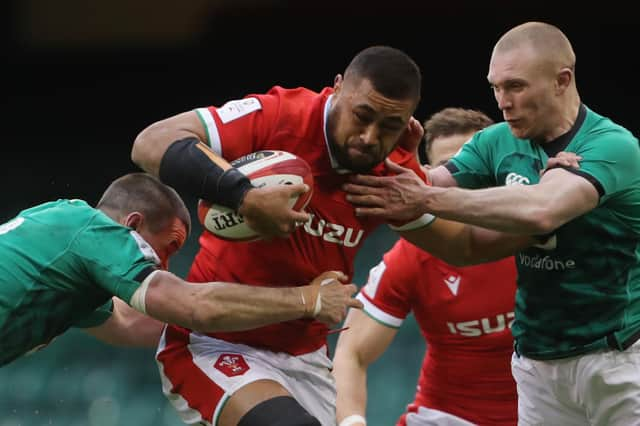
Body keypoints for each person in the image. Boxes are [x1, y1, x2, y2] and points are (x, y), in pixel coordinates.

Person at [132, 45, 529, 426]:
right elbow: (150, 143)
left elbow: (463, 246)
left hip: (306, 357)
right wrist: (245, 197)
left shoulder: (391, 173)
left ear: (409, 121)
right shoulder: (281, 117)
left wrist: (550, 214)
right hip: (213, 343)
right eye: (362, 115)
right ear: (338, 87)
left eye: (389, 126)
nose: (370, 137)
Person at [344, 22, 640, 426]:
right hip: (538, 365)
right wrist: (401, 165)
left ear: (562, 80)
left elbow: (543, 210)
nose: (503, 101)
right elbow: (429, 183)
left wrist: (425, 197)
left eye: (515, 86)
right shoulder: (495, 142)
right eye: (496, 88)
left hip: (619, 358)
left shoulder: (612, 145)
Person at [0, 172, 360, 368]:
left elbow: (130, 325)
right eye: (167, 247)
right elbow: (193, 305)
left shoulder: (66, 248)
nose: (164, 264)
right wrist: (305, 299)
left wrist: (269, 321)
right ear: (133, 224)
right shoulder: (94, 229)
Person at [333, 108, 518, 426]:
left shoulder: (539, 236)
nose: (466, 177)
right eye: (452, 168)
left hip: (547, 411)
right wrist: (352, 422)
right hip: (448, 416)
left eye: (476, 164)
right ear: (430, 177)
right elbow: (351, 354)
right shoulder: (411, 257)